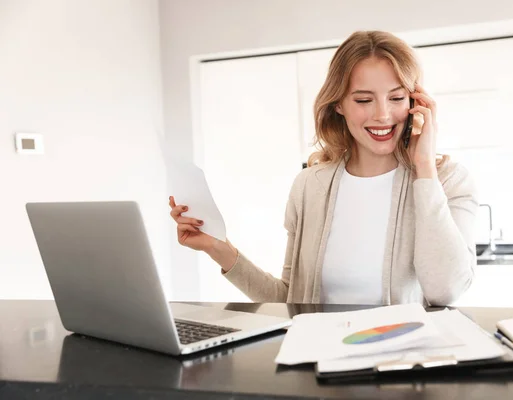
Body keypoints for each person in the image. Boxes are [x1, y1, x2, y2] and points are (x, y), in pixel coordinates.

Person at [169, 30, 478, 306]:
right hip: (320, 364)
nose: (383, 114)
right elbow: (289, 301)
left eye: (396, 97)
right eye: (363, 100)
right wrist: (218, 249)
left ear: (416, 102)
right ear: (338, 104)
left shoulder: (448, 181)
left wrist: (424, 167)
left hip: (405, 365)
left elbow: (446, 291)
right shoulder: (309, 185)